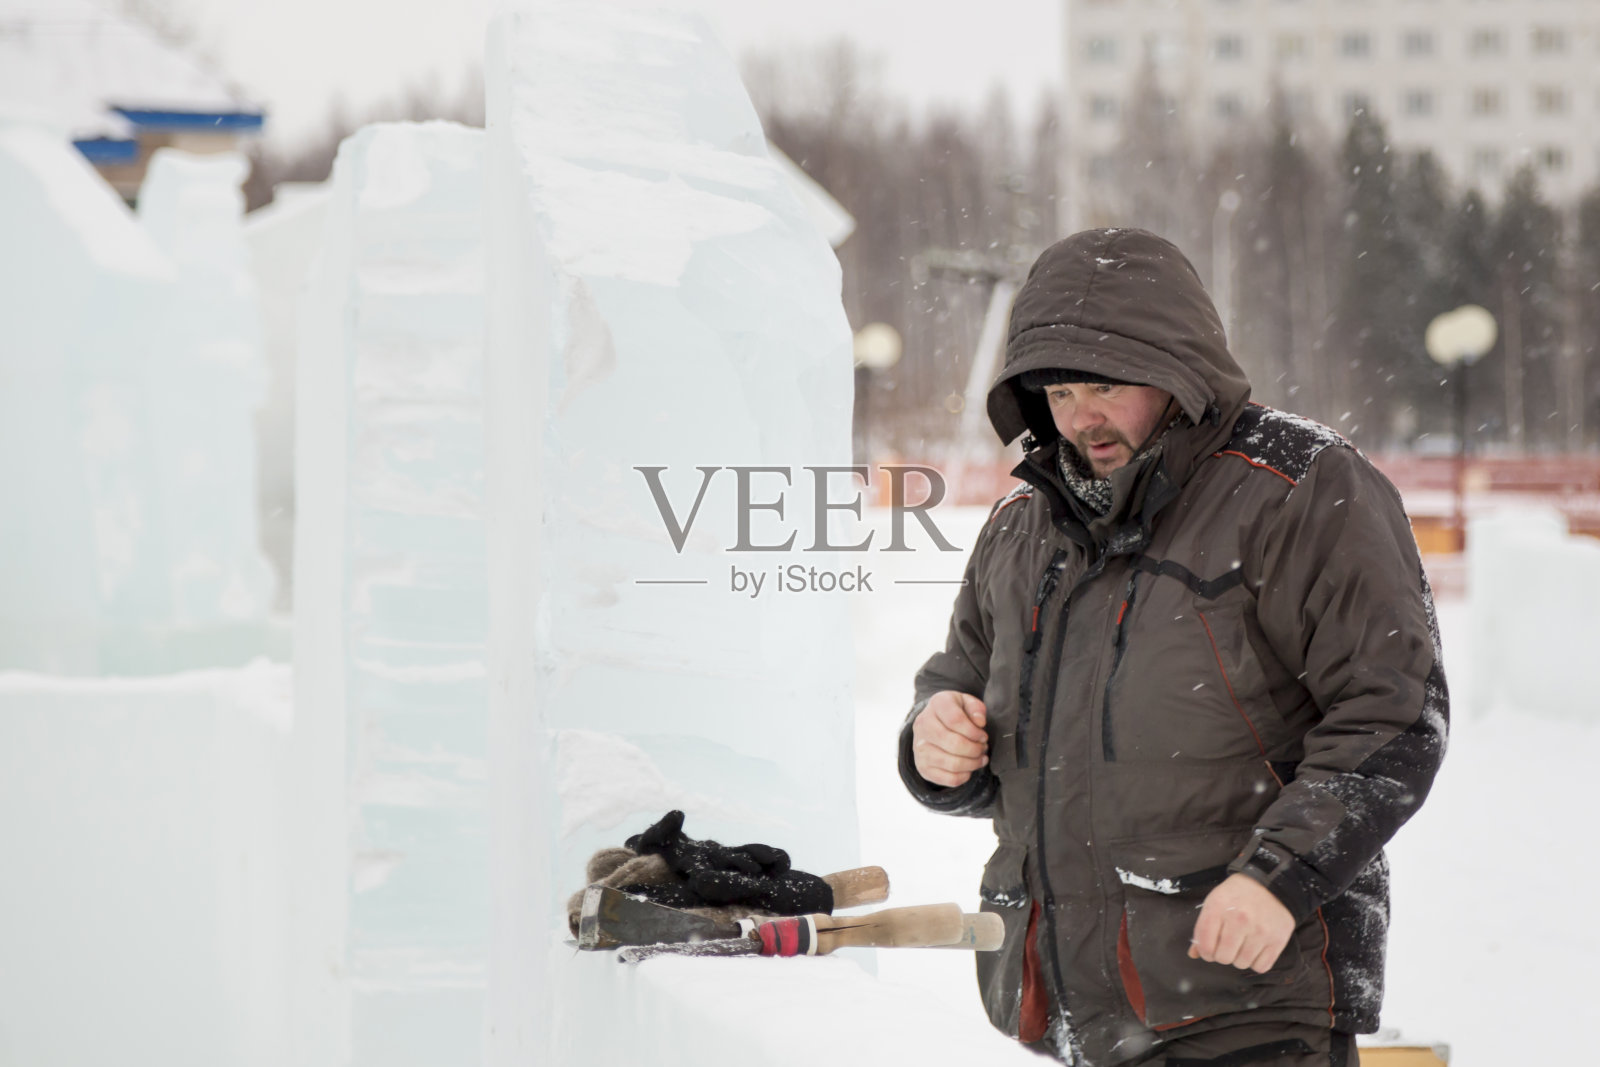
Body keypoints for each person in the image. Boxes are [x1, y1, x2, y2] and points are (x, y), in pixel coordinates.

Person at [899, 228, 1447, 1067]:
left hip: (1247, 1009)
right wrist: (936, 738)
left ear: (1177, 373)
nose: (1082, 415)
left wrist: (1280, 875)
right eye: (1059, 390)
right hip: (1071, 1013)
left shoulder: (1299, 489)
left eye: (1108, 384)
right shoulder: (1021, 529)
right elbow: (962, 688)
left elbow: (1394, 713)